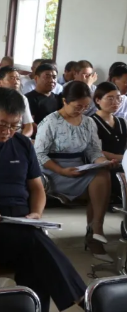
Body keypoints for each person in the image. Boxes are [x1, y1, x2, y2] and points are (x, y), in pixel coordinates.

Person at [0, 88, 86, 312]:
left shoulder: (22, 144)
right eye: (2, 124)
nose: (8, 131)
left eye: (14, 126)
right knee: (35, 246)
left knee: (34, 259)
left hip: (21, 223)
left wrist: (36, 214)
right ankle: (84, 299)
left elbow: (37, 188)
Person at [35, 81, 114, 261]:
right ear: (65, 101)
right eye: (78, 106)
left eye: (86, 106)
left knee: (102, 174)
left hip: (78, 168)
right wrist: (62, 171)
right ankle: (94, 236)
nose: (82, 110)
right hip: (52, 170)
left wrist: (103, 162)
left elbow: (93, 151)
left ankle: (96, 229)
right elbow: (39, 154)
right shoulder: (50, 122)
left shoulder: (88, 122)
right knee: (98, 188)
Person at [91, 82, 126, 203]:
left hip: (123, 164)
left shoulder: (122, 122)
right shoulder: (91, 122)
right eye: (110, 98)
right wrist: (122, 158)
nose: (115, 102)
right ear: (98, 100)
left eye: (118, 98)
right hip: (105, 166)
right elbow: (94, 151)